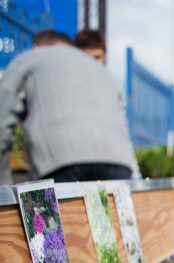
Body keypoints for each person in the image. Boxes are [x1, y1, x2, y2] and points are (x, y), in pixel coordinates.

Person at [0, 30, 136, 185]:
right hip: (118, 164)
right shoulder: (100, 70)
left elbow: (3, 117)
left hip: (58, 162)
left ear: (36, 46)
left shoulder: (30, 58)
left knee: (41, 208)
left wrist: (3, 185)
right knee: (106, 210)